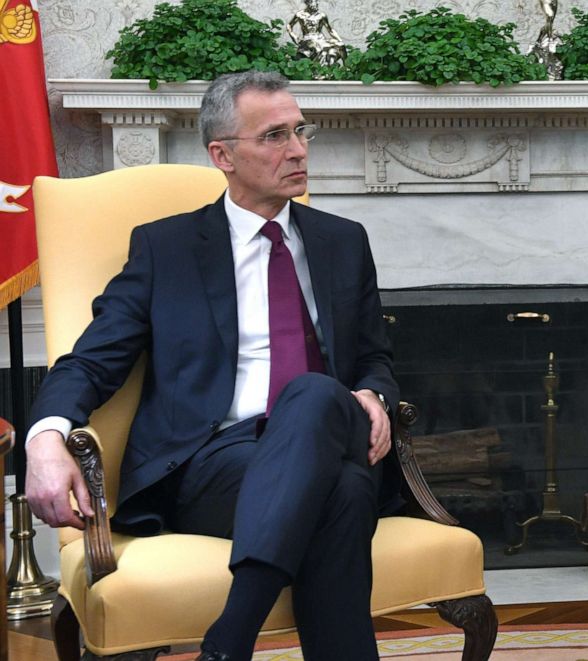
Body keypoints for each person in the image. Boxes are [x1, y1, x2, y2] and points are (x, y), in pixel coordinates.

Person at [25, 70, 398, 661]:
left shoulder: (343, 241)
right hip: (214, 462)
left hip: (333, 431)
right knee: (346, 493)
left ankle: (231, 638)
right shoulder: (166, 249)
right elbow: (90, 361)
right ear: (222, 154)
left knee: (318, 396)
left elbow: (374, 356)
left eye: (301, 130)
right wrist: (44, 440)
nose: (298, 149)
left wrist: (374, 392)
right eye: (274, 136)